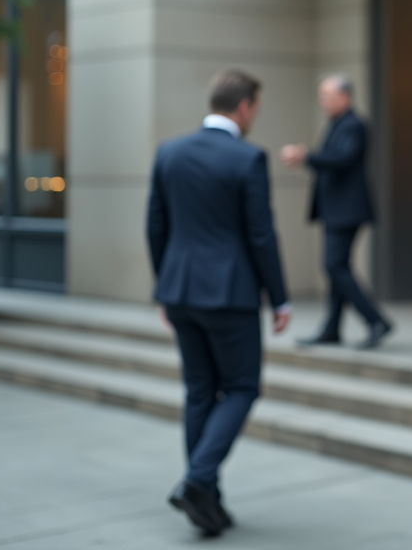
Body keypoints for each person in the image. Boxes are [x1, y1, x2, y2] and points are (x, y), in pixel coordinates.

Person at [147, 69, 290, 536]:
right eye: (256, 108)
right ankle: (198, 481)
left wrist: (164, 287)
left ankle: (207, 500)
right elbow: (261, 235)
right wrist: (280, 298)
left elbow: (156, 227)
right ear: (244, 106)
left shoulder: (169, 152)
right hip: (229, 294)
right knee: (243, 387)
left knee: (200, 392)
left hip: (180, 291)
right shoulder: (247, 158)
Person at [281, 74, 392, 349]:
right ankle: (332, 327)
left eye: (327, 96)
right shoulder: (339, 123)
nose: (322, 102)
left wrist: (307, 155)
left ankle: (375, 320)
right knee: (336, 267)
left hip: (347, 210)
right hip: (337, 210)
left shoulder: (354, 124)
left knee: (334, 265)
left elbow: (343, 159)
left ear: (345, 96)